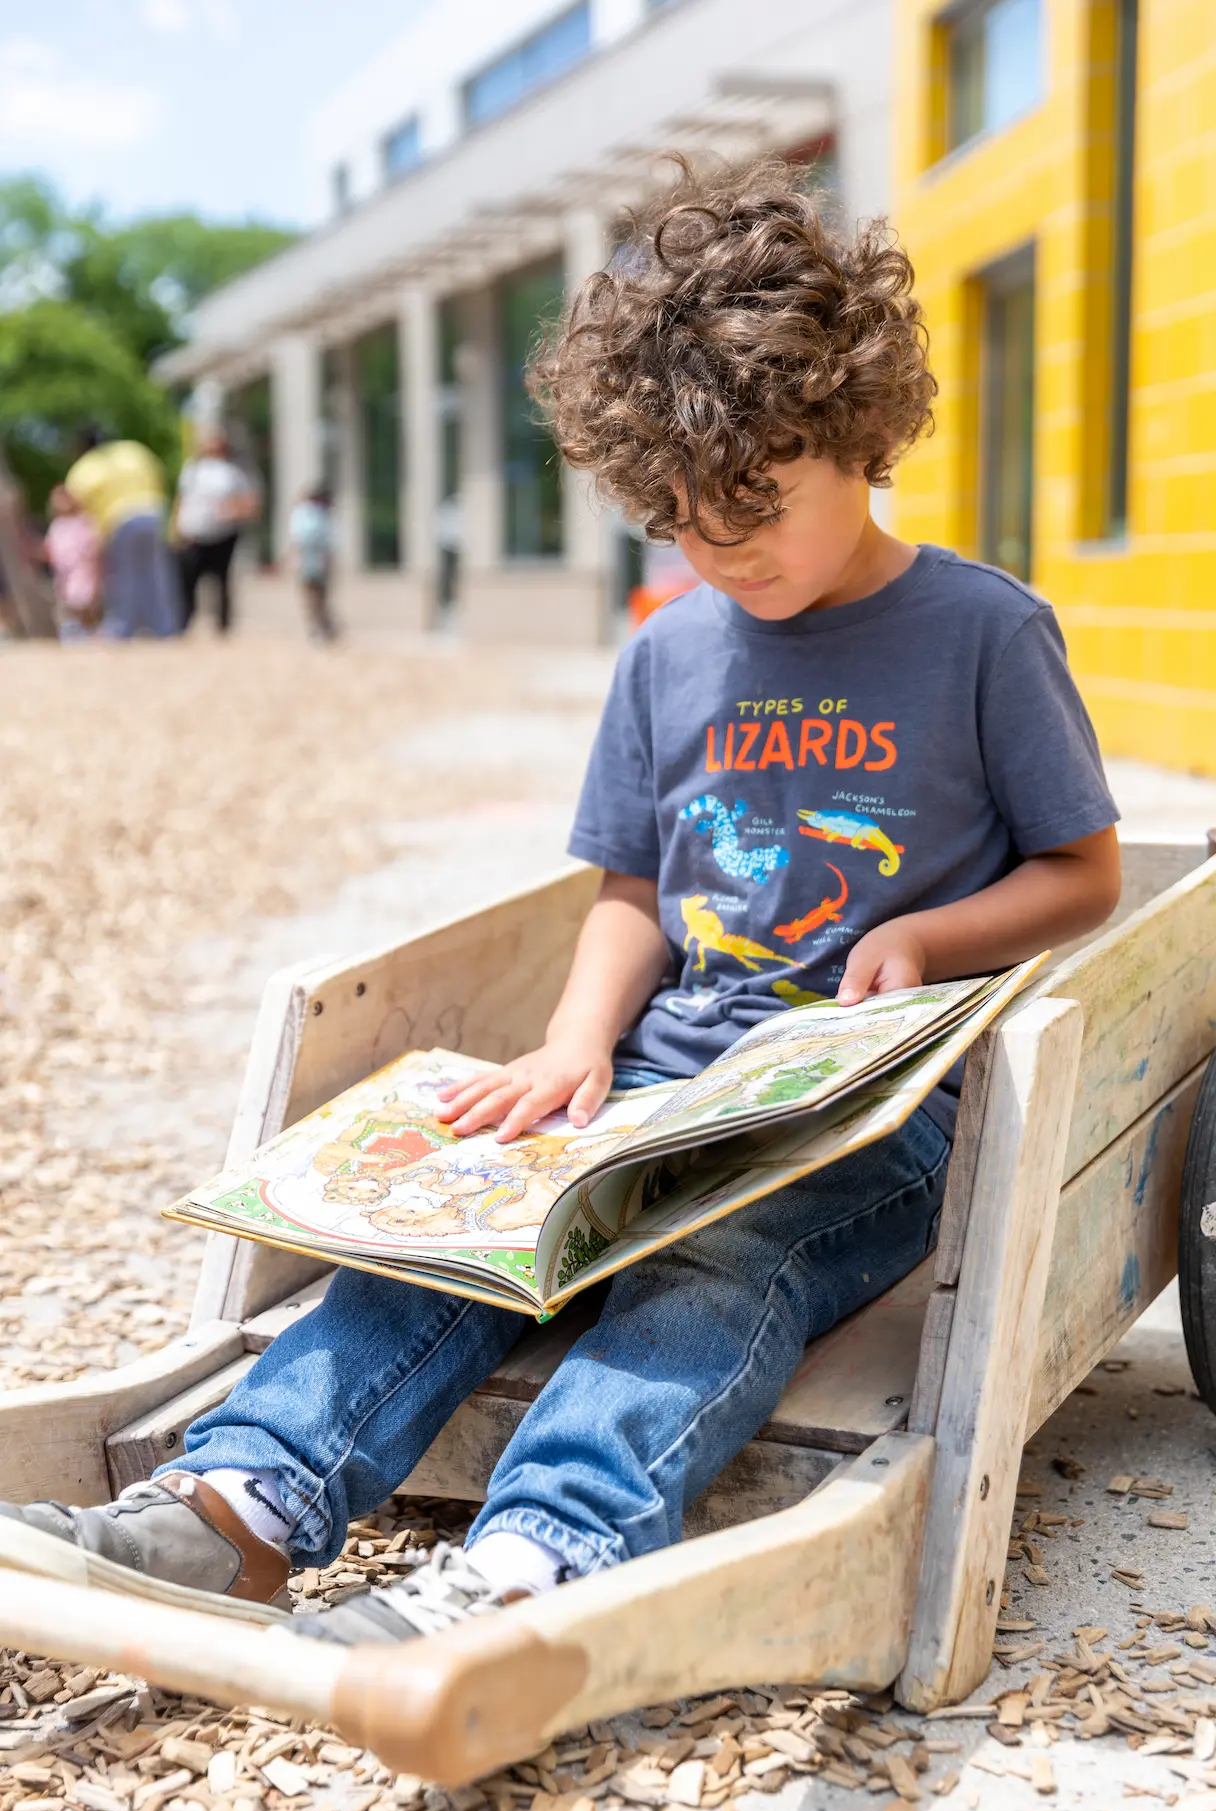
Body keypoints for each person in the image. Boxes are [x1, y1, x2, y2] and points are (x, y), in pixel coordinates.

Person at [0, 161, 1122, 1636]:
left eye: (756, 507)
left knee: (720, 1271)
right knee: (458, 1237)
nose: (723, 551)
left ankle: (537, 1559)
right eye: (683, 522)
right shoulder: (670, 653)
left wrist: (923, 934)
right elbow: (634, 889)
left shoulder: (982, 631)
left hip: (872, 1116)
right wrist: (575, 1041)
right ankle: (239, 1506)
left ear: (859, 431)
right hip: (663, 1083)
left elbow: (1085, 875)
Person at [64, 435, 180, 638]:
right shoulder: (133, 450)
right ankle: (165, 627)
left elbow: (75, 505)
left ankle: (122, 627)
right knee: (156, 574)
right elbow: (158, 475)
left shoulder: (86, 466)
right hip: (153, 512)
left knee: (122, 576)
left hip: (119, 520)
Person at [173, 431, 258, 634]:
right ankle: (185, 620)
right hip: (195, 533)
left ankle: (223, 624)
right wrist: (176, 527)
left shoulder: (232, 472)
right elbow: (182, 500)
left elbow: (248, 502)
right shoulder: (192, 470)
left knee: (221, 581)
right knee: (188, 580)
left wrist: (232, 512)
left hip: (222, 534)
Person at [43, 485, 102, 640]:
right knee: (68, 607)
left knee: (85, 605)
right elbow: (50, 550)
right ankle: (75, 636)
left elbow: (93, 548)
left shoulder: (84, 521)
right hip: (63, 575)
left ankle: (89, 634)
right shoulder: (56, 525)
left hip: (82, 571)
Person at [288, 483, 339, 641]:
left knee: (314, 594)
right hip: (312, 557)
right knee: (315, 594)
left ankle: (320, 625)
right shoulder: (313, 513)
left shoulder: (306, 512)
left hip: (312, 558)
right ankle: (321, 625)